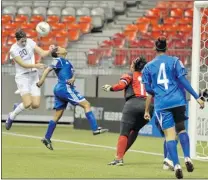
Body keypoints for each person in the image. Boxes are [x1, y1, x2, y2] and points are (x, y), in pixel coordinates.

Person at [142, 36, 205, 179]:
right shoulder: (175, 61)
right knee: (181, 129)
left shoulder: (148, 67)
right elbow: (183, 80)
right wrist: (196, 97)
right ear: (167, 48)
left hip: (162, 104)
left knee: (169, 135)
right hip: (178, 101)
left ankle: (176, 164)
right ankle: (188, 157)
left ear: (154, 48)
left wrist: (157, 91)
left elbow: (147, 89)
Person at [36, 46, 108, 150]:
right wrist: (41, 80)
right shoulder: (58, 60)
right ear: (58, 52)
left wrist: (73, 78)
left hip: (60, 89)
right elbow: (48, 68)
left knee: (57, 115)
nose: (63, 47)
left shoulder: (67, 62)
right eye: (60, 47)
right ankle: (95, 128)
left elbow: (72, 73)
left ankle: (47, 138)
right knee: (86, 104)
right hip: (64, 87)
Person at [102, 57, 153, 166]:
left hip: (133, 104)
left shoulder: (129, 75)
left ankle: (119, 158)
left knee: (124, 132)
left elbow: (121, 85)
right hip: (149, 106)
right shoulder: (149, 77)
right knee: (135, 129)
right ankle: (121, 155)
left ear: (134, 66)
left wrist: (110, 88)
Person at [5, 29, 55, 130]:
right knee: (27, 104)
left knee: (35, 105)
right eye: (22, 41)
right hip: (22, 77)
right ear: (17, 40)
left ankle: (18, 106)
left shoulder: (30, 42)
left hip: (33, 76)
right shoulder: (13, 50)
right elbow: (23, 64)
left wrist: (50, 50)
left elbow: (42, 53)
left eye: (25, 40)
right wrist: (36, 65)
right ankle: (11, 116)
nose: (24, 43)